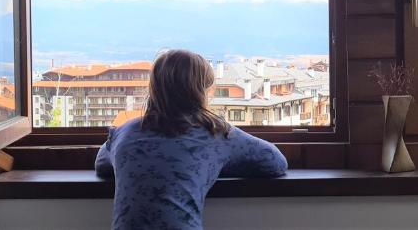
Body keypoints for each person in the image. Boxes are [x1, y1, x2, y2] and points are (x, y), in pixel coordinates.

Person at [96, 49, 288, 229]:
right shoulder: (217, 134)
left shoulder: (125, 132)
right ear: (201, 91)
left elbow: (102, 164)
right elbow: (275, 162)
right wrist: (210, 165)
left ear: (154, 87)